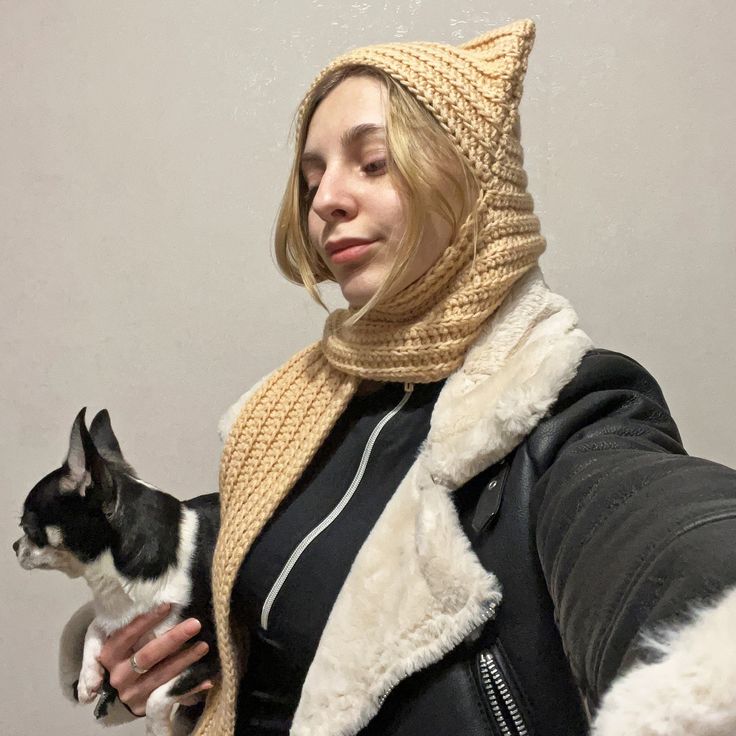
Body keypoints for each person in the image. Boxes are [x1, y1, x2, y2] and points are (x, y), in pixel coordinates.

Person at [61, 18, 736, 736]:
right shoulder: (288, 419)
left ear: (472, 183)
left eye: (373, 163)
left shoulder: (565, 409)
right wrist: (108, 650)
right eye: (313, 176)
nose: (324, 200)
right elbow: (212, 567)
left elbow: (662, 535)